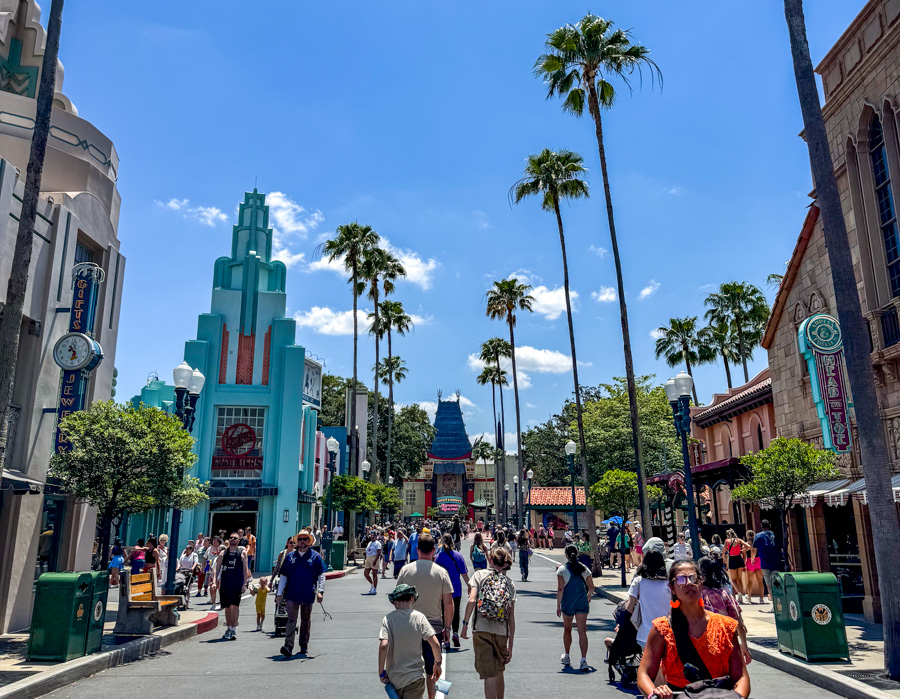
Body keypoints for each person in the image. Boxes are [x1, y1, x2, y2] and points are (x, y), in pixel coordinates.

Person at [637, 559, 750, 699]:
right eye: (681, 580)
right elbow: (644, 674)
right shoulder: (662, 629)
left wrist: (737, 697)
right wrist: (654, 693)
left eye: (693, 578)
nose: (689, 583)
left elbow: (741, 677)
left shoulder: (726, 626)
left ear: (700, 584)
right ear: (672, 587)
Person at [396, 533, 454, 699]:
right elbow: (449, 603)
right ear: (434, 550)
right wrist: (447, 628)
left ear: (417, 549)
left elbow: (397, 599)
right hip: (433, 626)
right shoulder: (441, 572)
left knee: (411, 668)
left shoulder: (406, 570)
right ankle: (433, 697)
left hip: (409, 625)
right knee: (434, 668)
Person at [461, 547, 516, 699]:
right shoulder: (509, 583)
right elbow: (511, 617)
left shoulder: (479, 575)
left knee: (488, 674)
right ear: (504, 563)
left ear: (490, 560)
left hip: (481, 628)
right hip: (501, 631)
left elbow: (472, 600)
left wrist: (465, 625)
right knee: (499, 670)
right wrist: (510, 645)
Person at [379, 584, 441, 699]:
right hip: (415, 677)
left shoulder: (388, 619)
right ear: (412, 599)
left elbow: (383, 646)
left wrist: (381, 672)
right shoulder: (419, 617)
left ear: (394, 602)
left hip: (395, 678)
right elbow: (435, 644)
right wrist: (437, 664)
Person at [276, 529, 327, 656]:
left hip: (308, 593)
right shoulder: (290, 557)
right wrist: (279, 593)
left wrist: (320, 591)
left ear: (309, 542)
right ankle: (288, 645)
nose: (302, 542)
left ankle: (303, 644)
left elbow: (321, 575)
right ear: (296, 542)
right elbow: (283, 576)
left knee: (305, 620)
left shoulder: (315, 556)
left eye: (305, 539)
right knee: (291, 620)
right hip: (292, 593)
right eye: (300, 539)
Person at [699, 556, 752, 667]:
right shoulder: (724, 594)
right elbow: (739, 623)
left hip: (702, 645)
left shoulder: (695, 596)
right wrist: (744, 646)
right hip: (725, 643)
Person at [622, 548, 671, 650]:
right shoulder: (669, 583)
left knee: (648, 664)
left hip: (645, 635)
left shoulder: (639, 581)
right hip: (667, 634)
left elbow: (630, 607)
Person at [556, 544, 594, 671]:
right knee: (582, 630)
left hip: (568, 602)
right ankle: (583, 660)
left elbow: (560, 588)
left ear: (566, 555)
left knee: (567, 629)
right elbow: (591, 587)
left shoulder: (562, 569)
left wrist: (558, 605)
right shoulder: (584, 568)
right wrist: (588, 596)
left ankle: (567, 655)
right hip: (581, 602)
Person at [436, 533, 469, 649]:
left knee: (445, 611)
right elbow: (464, 573)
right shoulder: (458, 555)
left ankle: (447, 637)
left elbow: (435, 573)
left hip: (443, 588)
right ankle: (455, 633)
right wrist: (469, 585)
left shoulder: (439, 557)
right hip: (456, 586)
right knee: (456, 611)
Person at [214, 532, 251, 640]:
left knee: (234, 606)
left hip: (236, 583)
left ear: (238, 540)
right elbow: (217, 568)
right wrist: (214, 582)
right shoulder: (223, 553)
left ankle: (233, 629)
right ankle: (228, 628)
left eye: (235, 538)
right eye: (230, 538)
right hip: (225, 583)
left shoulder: (242, 553)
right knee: (227, 606)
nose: (232, 539)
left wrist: (245, 583)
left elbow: (245, 569)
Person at [752, 520, 779, 612]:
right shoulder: (773, 534)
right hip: (776, 561)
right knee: (778, 584)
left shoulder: (758, 536)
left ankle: (775, 606)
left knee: (769, 584)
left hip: (765, 562)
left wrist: (752, 558)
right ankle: (780, 603)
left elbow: (754, 549)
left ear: (761, 526)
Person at [724, 529, 750, 604]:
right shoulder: (739, 540)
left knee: (733, 580)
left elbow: (724, 552)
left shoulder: (727, 541)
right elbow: (748, 546)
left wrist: (724, 559)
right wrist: (742, 551)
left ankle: (739, 593)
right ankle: (740, 597)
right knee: (740, 579)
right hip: (739, 558)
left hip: (732, 559)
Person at [744, 530, 764, 604]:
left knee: (750, 581)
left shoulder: (747, 543)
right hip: (758, 560)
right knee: (760, 581)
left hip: (750, 561)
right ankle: (761, 598)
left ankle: (749, 597)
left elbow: (743, 551)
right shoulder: (757, 542)